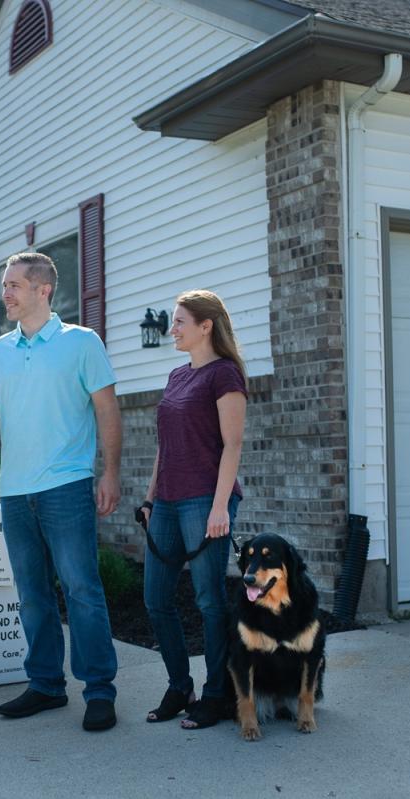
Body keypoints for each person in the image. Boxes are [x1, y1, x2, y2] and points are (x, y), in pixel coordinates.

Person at [0, 252, 122, 732]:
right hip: (15, 492)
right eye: (4, 285)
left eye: (14, 285)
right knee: (31, 594)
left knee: (82, 589)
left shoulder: (81, 342)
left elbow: (107, 410)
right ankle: (45, 685)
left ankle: (99, 691)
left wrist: (110, 473)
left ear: (44, 290)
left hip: (67, 485)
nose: (5, 293)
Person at [140, 289, 248, 730]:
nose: (172, 329)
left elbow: (232, 444)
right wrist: (149, 498)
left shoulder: (225, 374)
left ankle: (217, 694)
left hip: (205, 499)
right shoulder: (176, 376)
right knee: (155, 599)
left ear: (206, 326)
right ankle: (179, 685)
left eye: (180, 321)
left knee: (208, 600)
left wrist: (220, 506)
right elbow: (163, 448)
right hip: (166, 502)